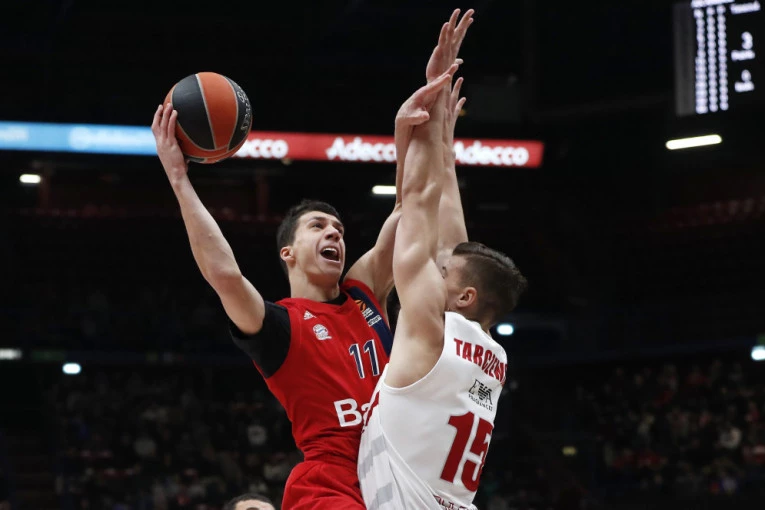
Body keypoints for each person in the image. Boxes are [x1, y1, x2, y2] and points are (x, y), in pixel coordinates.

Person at [149, 19, 466, 506]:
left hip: (403, 469)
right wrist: (179, 178)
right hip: (332, 479)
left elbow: (408, 210)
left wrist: (414, 123)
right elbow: (225, 275)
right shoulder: (278, 326)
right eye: (318, 226)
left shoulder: (363, 290)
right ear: (288, 252)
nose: (334, 232)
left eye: (338, 228)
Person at [357, 11, 528, 510]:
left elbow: (417, 199)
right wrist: (445, 149)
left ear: (465, 296)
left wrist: (429, 103)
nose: (435, 268)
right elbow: (454, 245)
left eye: (442, 273)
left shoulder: (430, 331)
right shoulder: (492, 357)